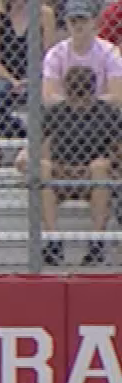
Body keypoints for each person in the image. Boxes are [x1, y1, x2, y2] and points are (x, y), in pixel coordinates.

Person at [40, 64, 120, 265]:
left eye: (84, 95)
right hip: (61, 174)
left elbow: (118, 151)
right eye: (75, 95)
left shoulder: (106, 113)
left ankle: (96, 241)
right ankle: (53, 241)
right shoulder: (57, 112)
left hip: (92, 177)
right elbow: (38, 149)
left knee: (100, 167)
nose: (80, 102)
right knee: (42, 167)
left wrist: (105, 163)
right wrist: (56, 167)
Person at [0, 0, 57, 140]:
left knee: (42, 93)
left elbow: (48, 53)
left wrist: (30, 78)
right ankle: (17, 131)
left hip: (35, 72)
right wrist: (12, 80)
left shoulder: (44, 14)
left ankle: (40, 136)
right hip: (5, 73)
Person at [44, 0, 122, 105]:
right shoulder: (56, 53)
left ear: (94, 21)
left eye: (83, 19)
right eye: (73, 21)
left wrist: (87, 104)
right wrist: (74, 104)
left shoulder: (109, 52)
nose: (78, 25)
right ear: (66, 22)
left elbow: (117, 96)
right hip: (64, 111)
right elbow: (48, 96)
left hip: (101, 112)